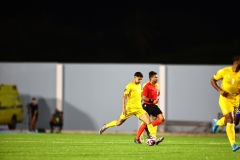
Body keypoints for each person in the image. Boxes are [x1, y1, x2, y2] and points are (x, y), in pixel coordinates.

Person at [99, 72, 162, 145]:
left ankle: (151, 137)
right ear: (135, 77)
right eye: (138, 79)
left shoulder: (139, 85)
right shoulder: (129, 86)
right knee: (119, 123)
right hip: (129, 109)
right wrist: (124, 108)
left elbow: (140, 96)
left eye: (141, 80)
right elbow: (124, 97)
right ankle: (106, 126)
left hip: (139, 109)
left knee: (148, 121)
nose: (139, 81)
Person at [211, 55, 240, 152]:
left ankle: (217, 122)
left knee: (235, 122)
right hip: (225, 99)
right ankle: (233, 145)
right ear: (237, 61)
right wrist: (220, 90)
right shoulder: (224, 71)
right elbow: (213, 80)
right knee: (230, 119)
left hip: (237, 100)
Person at [135, 71, 165, 144]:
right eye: (156, 77)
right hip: (147, 106)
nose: (157, 78)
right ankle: (137, 138)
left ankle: (150, 130)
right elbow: (143, 97)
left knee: (162, 119)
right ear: (152, 78)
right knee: (145, 123)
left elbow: (158, 93)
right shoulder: (147, 86)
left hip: (154, 106)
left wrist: (156, 98)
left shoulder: (156, 86)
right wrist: (152, 101)